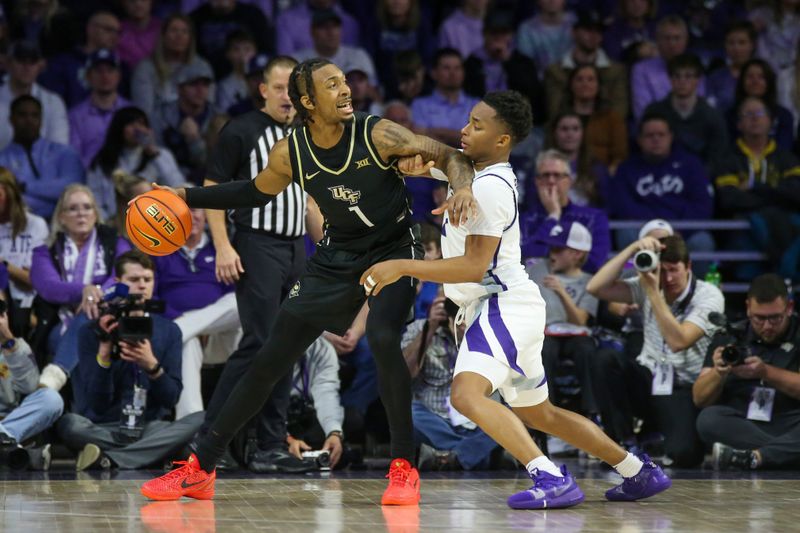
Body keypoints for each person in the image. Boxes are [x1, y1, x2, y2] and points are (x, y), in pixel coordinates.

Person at [140, 57, 477, 505]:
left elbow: (450, 155)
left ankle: (403, 466)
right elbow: (252, 192)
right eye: (332, 84)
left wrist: (462, 188)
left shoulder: (378, 132)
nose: (345, 90)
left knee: (380, 338)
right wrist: (186, 195)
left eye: (345, 82)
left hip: (395, 248)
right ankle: (201, 466)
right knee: (268, 359)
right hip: (337, 255)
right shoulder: (291, 151)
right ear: (306, 101)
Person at [362, 90, 670, 508]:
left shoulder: (489, 189)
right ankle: (637, 472)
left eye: (476, 125)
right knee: (541, 414)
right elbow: (441, 158)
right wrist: (410, 161)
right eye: (467, 121)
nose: (464, 130)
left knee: (465, 396)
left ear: (503, 140)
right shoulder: (475, 171)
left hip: (500, 303)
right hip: (510, 305)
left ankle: (549, 477)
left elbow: (473, 267)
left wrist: (401, 266)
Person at [198, 55, 323, 474]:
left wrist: (332, 248)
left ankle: (270, 444)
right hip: (256, 244)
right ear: (264, 91)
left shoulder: (306, 136)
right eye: (282, 87)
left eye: (297, 89)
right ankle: (210, 438)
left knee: (287, 347)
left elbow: (308, 201)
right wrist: (223, 246)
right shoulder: (242, 131)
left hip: (295, 249)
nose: (290, 96)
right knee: (258, 342)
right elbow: (213, 189)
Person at [56, 250, 204, 470]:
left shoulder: (169, 331)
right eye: (134, 280)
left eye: (148, 279)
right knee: (70, 424)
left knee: (201, 419)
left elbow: (171, 399)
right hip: (104, 425)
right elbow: (95, 404)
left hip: (149, 426)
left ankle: (110, 459)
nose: (142, 286)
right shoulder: (93, 331)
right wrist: (104, 355)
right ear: (118, 283)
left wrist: (152, 366)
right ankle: (150, 453)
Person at [587, 234, 724, 466]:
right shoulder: (649, 283)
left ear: (688, 266)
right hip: (648, 376)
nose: (668, 278)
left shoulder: (708, 295)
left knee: (684, 455)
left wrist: (652, 292)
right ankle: (620, 442)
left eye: (674, 270)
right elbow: (595, 287)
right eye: (662, 271)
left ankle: (652, 434)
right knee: (604, 358)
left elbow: (678, 341)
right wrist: (632, 249)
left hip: (683, 387)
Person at [694, 273, 800, 470]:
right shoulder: (729, 336)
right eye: (759, 318)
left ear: (789, 309)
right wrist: (718, 372)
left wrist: (766, 372)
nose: (767, 326)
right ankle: (781, 454)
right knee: (708, 419)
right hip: (745, 423)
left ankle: (756, 457)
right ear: (748, 308)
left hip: (790, 419)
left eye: (775, 318)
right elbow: (699, 398)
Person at [32, 186, 131, 387]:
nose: (81, 213)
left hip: (110, 315)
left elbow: (124, 276)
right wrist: (84, 289)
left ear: (96, 213)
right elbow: (49, 287)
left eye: (87, 207)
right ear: (61, 217)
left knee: (91, 313)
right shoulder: (44, 251)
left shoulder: (116, 242)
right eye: (73, 208)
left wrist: (97, 294)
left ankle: (55, 377)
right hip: (61, 320)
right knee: (84, 333)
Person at [153, 206, 239, 420]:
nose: (191, 216)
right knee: (187, 342)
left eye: (196, 210)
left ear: (207, 216)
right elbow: (153, 299)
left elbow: (234, 295)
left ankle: (180, 329)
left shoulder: (222, 249)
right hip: (181, 342)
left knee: (240, 303)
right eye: (183, 211)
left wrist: (196, 324)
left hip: (219, 335)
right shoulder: (161, 251)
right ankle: (190, 428)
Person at [403, 293, 500, 471]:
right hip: (435, 416)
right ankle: (475, 454)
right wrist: (430, 328)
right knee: (407, 413)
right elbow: (405, 374)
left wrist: (472, 335)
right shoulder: (419, 328)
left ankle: (446, 456)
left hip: (480, 417)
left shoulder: (489, 328)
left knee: (514, 413)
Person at [608, 112, 715, 252]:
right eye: (649, 135)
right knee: (626, 233)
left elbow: (702, 205)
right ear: (639, 139)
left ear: (671, 137)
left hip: (682, 232)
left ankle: (692, 275)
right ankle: (633, 275)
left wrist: (678, 231)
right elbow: (623, 206)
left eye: (661, 134)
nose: (656, 139)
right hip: (642, 231)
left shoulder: (691, 165)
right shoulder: (626, 169)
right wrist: (653, 231)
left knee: (702, 241)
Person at [526, 221, 598, 415]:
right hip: (545, 334)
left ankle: (591, 414)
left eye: (558, 249)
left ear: (578, 254)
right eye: (551, 248)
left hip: (576, 335)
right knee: (542, 351)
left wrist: (561, 292)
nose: (552, 254)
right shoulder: (538, 270)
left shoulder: (589, 282)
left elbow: (580, 321)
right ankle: (547, 414)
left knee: (587, 351)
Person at [520, 149, 610, 273]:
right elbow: (524, 255)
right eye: (546, 175)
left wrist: (545, 252)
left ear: (569, 181)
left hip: (579, 288)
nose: (551, 181)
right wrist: (553, 216)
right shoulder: (524, 220)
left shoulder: (594, 218)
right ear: (537, 181)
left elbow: (594, 263)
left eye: (557, 175)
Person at [0, 298, 63, 471]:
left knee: (51, 399)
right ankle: (17, 455)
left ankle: (4, 442)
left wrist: (8, 341)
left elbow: (29, 386)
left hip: (10, 422)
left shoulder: (16, 347)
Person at [87, 106, 183, 219]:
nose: (138, 129)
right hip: (114, 223)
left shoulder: (161, 156)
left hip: (154, 222)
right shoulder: (103, 161)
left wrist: (154, 154)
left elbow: (178, 187)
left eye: (142, 124)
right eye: (131, 124)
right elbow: (95, 200)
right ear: (119, 128)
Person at [0, 95, 84, 219]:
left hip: (65, 224)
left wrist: (24, 186)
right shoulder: (2, 159)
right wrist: (53, 199)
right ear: (11, 119)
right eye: (22, 115)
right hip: (21, 226)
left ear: (41, 120)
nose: (29, 120)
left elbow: (72, 189)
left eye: (35, 115)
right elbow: (9, 201)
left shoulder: (65, 153)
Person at [644, 53, 729, 165]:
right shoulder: (654, 112)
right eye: (677, 76)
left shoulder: (713, 116)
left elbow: (718, 157)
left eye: (688, 76)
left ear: (698, 80)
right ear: (670, 79)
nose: (682, 81)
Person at [463, 11, 545, 127]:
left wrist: (508, 62)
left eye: (504, 33)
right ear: (484, 34)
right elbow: (468, 95)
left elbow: (533, 94)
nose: (498, 38)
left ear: (511, 35)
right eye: (494, 33)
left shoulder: (523, 62)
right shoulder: (473, 62)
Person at [151, 62, 228, 183]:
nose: (200, 90)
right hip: (166, 179)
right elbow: (157, 155)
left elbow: (215, 163)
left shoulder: (218, 118)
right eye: (193, 84)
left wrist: (194, 140)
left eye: (205, 84)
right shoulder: (161, 115)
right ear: (179, 88)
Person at [544, 10, 628, 120]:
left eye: (598, 31)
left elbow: (619, 113)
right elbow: (554, 112)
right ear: (574, 32)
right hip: (567, 132)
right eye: (588, 30)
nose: (593, 35)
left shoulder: (616, 71)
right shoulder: (555, 71)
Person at [131, 14, 214, 118]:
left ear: (190, 38)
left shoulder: (202, 67)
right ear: (163, 35)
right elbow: (144, 113)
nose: (179, 36)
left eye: (185, 32)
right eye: (174, 30)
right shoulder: (145, 68)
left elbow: (210, 108)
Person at [38, 11, 123, 108]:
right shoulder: (63, 63)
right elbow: (52, 100)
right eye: (109, 30)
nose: (115, 36)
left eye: (118, 32)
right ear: (90, 29)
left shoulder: (121, 66)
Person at [0, 168, 48, 336]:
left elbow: (36, 280)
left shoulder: (35, 225)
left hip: (30, 305)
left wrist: (4, 265)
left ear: (11, 194)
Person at [286, 337, 345, 469]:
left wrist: (334, 433)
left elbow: (327, 393)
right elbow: (260, 404)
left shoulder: (322, 348)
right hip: (267, 419)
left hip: (301, 413)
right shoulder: (265, 344)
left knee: (343, 424)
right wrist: (286, 439)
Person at [68, 49, 132, 168]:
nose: (105, 76)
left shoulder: (131, 112)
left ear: (118, 76)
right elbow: (73, 157)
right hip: (88, 179)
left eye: (110, 70)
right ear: (88, 76)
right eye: (98, 71)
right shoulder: (75, 115)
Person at [0, 41, 69, 150]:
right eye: (21, 61)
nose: (27, 67)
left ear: (40, 66)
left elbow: (58, 148)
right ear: (8, 64)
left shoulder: (53, 102)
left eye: (32, 62)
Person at [630, 15, 699, 121]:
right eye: (667, 38)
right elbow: (643, 112)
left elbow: (700, 108)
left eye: (677, 38)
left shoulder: (695, 67)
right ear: (657, 40)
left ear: (685, 41)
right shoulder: (641, 70)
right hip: (656, 131)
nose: (672, 44)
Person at [411, 48, 480, 147]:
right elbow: (420, 139)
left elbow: (477, 140)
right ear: (434, 73)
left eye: (457, 68)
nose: (453, 73)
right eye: (446, 68)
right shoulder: (419, 105)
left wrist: (437, 132)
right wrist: (460, 136)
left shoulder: (476, 105)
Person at [293, 9, 377, 88]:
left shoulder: (358, 56)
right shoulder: (298, 61)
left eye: (335, 26)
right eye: (323, 27)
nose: (331, 32)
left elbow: (373, 93)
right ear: (312, 32)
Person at [189, 0, 271, 78]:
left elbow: (266, 52)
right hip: (203, 79)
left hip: (249, 77)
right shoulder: (195, 18)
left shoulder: (254, 15)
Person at [275, 0, 360, 56]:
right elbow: (286, 63)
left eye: (334, 26)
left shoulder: (349, 22)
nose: (331, 32)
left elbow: (352, 60)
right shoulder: (286, 20)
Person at [706, 21, 757, 113]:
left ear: (752, 45)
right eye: (731, 43)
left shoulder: (763, 75)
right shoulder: (715, 77)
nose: (736, 48)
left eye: (742, 43)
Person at [515, 0, 576, 70]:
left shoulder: (577, 24)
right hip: (537, 78)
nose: (552, 1)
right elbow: (525, 64)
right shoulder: (526, 29)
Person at [117, 0, 161, 70]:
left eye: (143, 0)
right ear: (124, 3)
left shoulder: (162, 29)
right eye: (132, 1)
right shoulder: (117, 30)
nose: (138, 4)